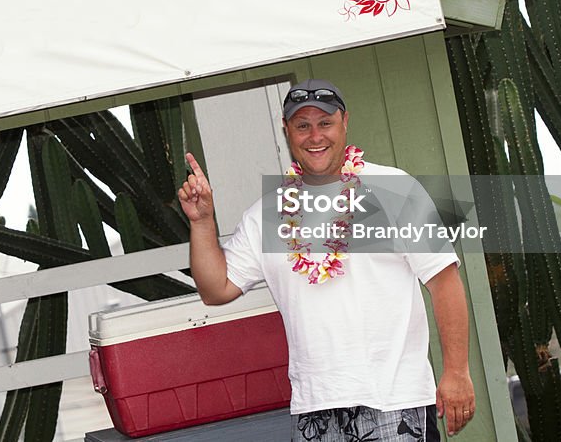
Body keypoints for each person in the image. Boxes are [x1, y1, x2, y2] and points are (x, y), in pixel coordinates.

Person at [178, 79, 475, 441]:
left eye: (325, 123)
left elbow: (444, 283)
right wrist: (202, 221)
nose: (315, 136)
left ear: (344, 122)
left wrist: (457, 372)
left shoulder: (395, 190)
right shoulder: (265, 216)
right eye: (302, 125)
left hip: (394, 399)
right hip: (313, 409)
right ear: (287, 131)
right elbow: (216, 289)